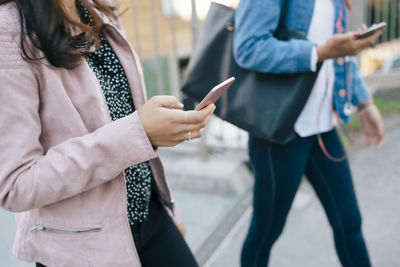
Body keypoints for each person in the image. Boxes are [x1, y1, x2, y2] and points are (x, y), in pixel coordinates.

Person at [0, 0, 215, 266]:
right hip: (82, 245)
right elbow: (15, 184)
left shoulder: (95, 8)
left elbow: (124, 114)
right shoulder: (8, 30)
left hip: (150, 214)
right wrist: (140, 133)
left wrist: (171, 211)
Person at [233, 0, 385, 266]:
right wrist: (320, 51)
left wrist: (365, 104)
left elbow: (341, 57)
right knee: (266, 232)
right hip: (280, 132)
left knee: (349, 222)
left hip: (322, 128)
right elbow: (248, 48)